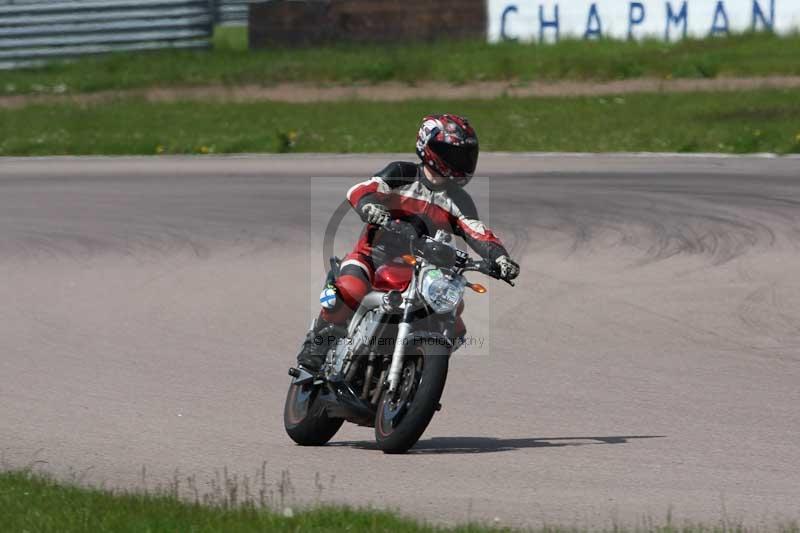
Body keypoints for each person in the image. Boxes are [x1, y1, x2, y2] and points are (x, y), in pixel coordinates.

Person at [297, 113, 520, 370]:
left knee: (454, 321)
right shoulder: (401, 173)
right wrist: (369, 207)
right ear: (427, 147)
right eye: (449, 152)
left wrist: (499, 257)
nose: (458, 162)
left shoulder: (460, 200)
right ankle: (318, 342)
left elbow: (477, 232)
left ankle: (416, 376)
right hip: (372, 256)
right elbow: (362, 189)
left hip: (421, 270)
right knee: (350, 289)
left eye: (464, 156)